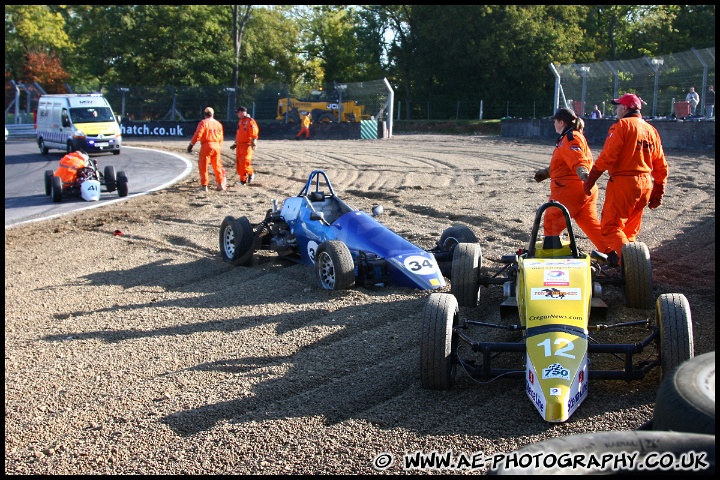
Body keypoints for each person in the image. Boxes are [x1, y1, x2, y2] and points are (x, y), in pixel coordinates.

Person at [583, 93, 668, 267]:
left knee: (610, 228)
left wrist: (590, 180)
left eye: (617, 106)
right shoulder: (652, 130)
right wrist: (658, 191)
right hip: (645, 183)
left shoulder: (621, 126)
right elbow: (661, 164)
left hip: (624, 183)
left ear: (625, 108)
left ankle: (635, 265)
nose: (616, 110)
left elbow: (607, 156)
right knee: (629, 230)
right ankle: (628, 269)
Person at [534, 108, 609, 254]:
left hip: (570, 190)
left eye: (555, 121)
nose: (554, 124)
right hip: (583, 190)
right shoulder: (572, 136)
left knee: (551, 221)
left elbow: (577, 160)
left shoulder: (570, 138)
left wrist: (583, 173)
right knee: (592, 226)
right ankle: (613, 255)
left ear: (561, 122)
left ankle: (552, 257)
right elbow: (564, 163)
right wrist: (547, 172)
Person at [187, 107, 226, 192]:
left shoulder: (203, 123)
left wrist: (191, 145)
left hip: (207, 145)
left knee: (203, 166)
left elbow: (198, 134)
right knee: (217, 166)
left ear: (204, 114)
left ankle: (204, 186)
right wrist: (219, 147)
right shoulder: (218, 124)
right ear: (212, 114)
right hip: (216, 145)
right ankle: (220, 184)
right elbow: (221, 137)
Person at [229, 106, 260, 186]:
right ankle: (242, 181)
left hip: (247, 145)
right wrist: (235, 143)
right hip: (239, 146)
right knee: (239, 165)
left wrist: (253, 142)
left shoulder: (250, 121)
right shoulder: (240, 121)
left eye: (238, 113)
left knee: (245, 163)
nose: (237, 115)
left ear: (242, 112)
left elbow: (254, 133)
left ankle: (251, 173)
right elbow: (239, 133)